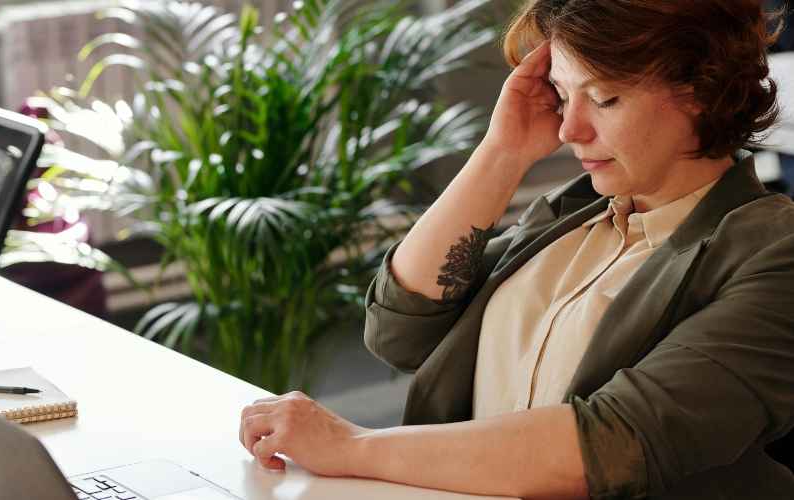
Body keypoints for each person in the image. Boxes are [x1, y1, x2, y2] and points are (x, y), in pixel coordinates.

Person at [238, 0, 794, 498]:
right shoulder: (572, 213)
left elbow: (611, 444)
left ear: (702, 88)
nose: (569, 129)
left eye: (603, 97)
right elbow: (401, 330)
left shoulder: (772, 250)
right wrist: (502, 151)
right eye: (561, 94)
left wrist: (352, 446)